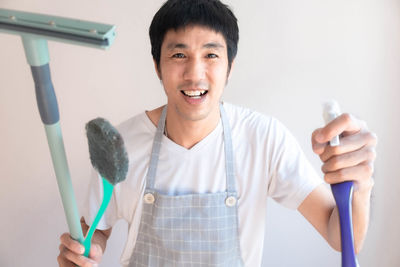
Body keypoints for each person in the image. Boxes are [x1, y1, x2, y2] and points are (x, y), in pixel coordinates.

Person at [57, 0, 377, 266]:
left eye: (211, 55)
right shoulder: (119, 146)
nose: (195, 74)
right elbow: (96, 228)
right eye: (179, 55)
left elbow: (342, 236)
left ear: (230, 66)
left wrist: (360, 187)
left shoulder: (262, 138)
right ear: (157, 65)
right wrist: (86, 250)